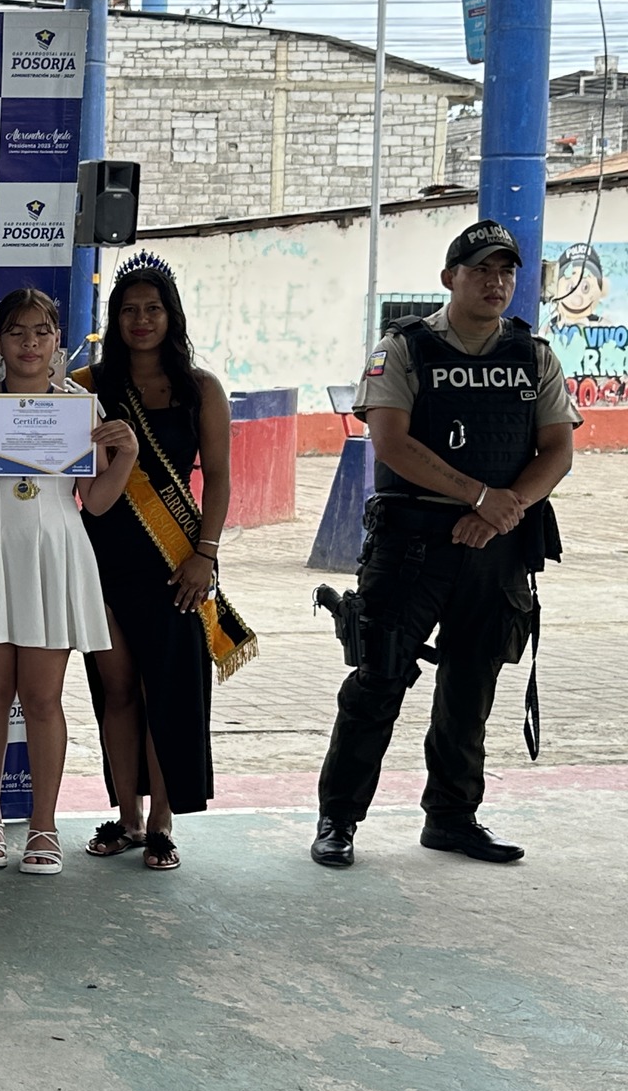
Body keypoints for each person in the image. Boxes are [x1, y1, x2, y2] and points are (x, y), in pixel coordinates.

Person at [311, 221, 578, 869]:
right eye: (481, 269)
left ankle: (453, 819)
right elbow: (391, 442)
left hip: (497, 546)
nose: (495, 282)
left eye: (505, 271)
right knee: (378, 681)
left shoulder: (534, 355)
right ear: (449, 278)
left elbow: (558, 451)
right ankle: (338, 819)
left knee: (471, 684)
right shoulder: (404, 348)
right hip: (412, 545)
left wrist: (501, 511)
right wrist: (479, 496)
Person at [0, 287, 135, 875]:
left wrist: (127, 455)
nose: (29, 343)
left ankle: (44, 825)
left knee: (43, 699)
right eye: (17, 332)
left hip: (52, 554)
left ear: (57, 342)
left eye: (41, 332)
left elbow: (97, 501)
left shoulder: (82, 408)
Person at [71, 254, 256, 872]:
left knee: (166, 692)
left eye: (153, 309)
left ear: (172, 316)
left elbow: (220, 480)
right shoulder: (88, 387)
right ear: (114, 319)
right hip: (102, 558)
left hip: (177, 565)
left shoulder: (201, 389)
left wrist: (206, 554)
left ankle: (161, 824)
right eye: (128, 310)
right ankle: (126, 816)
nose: (141, 320)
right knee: (117, 689)